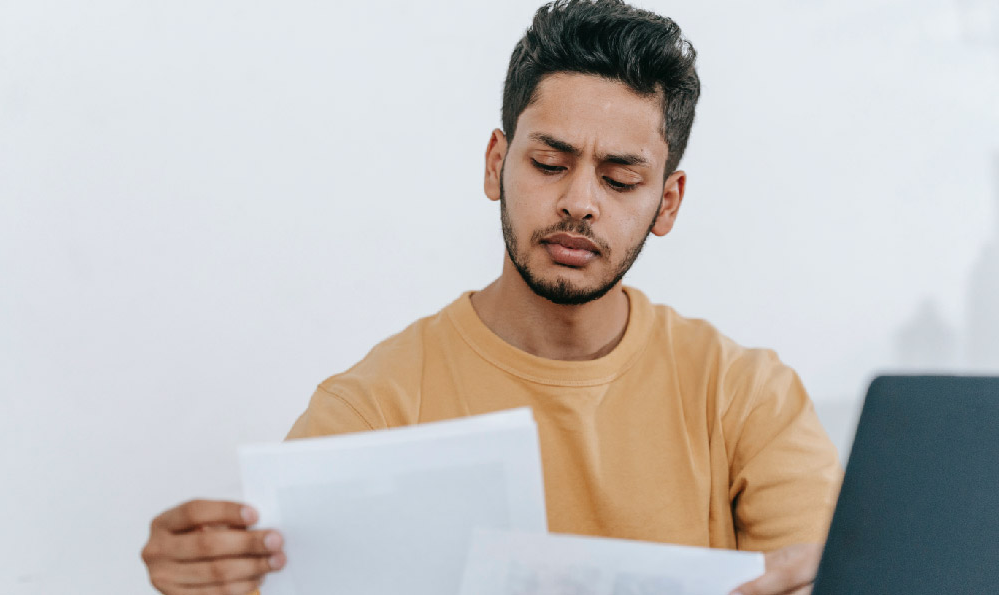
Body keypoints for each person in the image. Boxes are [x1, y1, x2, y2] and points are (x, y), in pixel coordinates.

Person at [141, 1, 842, 594]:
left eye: (621, 179)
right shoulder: (376, 407)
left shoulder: (746, 396)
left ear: (668, 201)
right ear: (494, 163)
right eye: (549, 163)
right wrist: (212, 576)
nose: (579, 203)